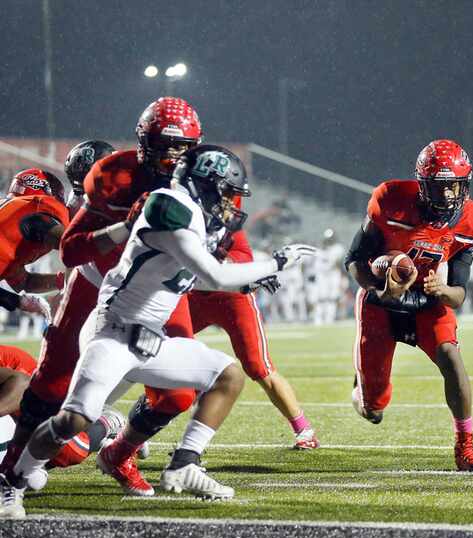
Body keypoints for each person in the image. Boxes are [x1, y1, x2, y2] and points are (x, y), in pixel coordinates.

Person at [0, 145, 315, 518]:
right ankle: (14, 480)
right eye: (225, 192)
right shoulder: (167, 208)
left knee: (226, 375)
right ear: (204, 186)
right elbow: (215, 275)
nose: (230, 202)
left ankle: (184, 463)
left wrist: (247, 276)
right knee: (71, 422)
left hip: (150, 336)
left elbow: (201, 272)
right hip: (114, 334)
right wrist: (275, 263)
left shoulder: (196, 214)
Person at [0, 98, 202, 497]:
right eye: (162, 144)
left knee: (180, 390)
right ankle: (13, 473)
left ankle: (124, 451)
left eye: (180, 147)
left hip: (156, 291)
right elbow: (73, 250)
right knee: (51, 386)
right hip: (94, 282)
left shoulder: (202, 179)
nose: (171, 156)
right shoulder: (109, 179)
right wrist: (125, 232)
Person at [344, 139, 473, 472]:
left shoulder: (471, 222)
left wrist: (442, 289)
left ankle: (465, 449)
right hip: (381, 305)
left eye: (455, 187)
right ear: (423, 185)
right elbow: (353, 259)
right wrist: (379, 287)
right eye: (440, 188)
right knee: (373, 409)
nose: (449, 196)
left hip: (427, 301)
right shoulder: (390, 200)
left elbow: (460, 294)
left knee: (452, 357)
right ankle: (364, 387)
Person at [188, 198, 319, 450]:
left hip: (233, 299)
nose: (227, 207)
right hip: (193, 296)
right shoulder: (180, 217)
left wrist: (253, 274)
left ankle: (304, 430)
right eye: (221, 197)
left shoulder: (230, 230)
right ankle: (136, 433)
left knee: (259, 367)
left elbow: (238, 264)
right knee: (164, 359)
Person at [0, 345, 125, 470]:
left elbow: (22, 382)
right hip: (15, 394)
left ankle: (107, 421)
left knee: (74, 451)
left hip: (27, 388)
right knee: (25, 469)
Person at [0, 168, 69, 322]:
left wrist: (63, 281)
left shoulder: (11, 215)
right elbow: (71, 245)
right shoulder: (36, 206)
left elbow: (24, 282)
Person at [311, 228, 346, 325]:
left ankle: (329, 319)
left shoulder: (338, 248)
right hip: (322, 275)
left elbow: (335, 262)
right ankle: (318, 319)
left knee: (332, 297)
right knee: (320, 297)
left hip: (333, 274)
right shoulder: (319, 249)